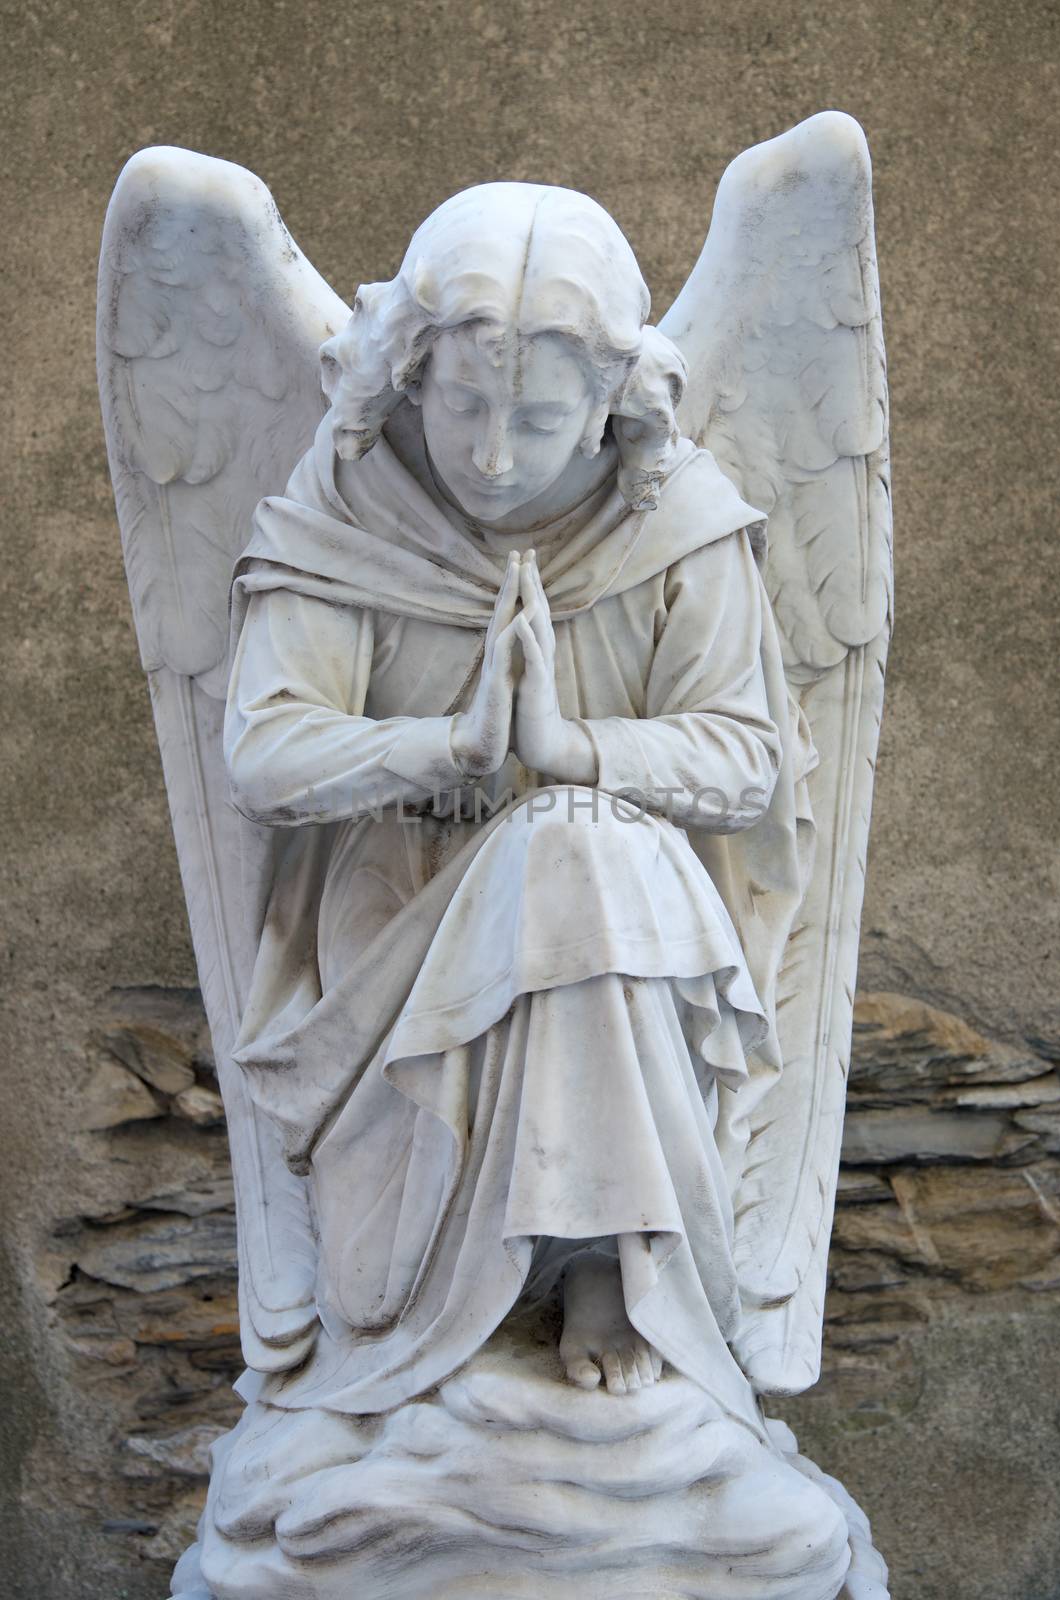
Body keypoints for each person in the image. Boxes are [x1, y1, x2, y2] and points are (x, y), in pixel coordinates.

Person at [223, 182, 808, 1427]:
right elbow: (265, 753)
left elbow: (747, 758)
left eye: (538, 418)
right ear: (409, 374)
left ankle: (604, 1254)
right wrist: (453, 743)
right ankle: (482, 1255)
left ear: (608, 407)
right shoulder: (349, 506)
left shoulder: (676, 525)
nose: (492, 454)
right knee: (560, 843)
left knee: (573, 839)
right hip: (404, 935)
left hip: (622, 937)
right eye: (462, 404)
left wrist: (566, 749)